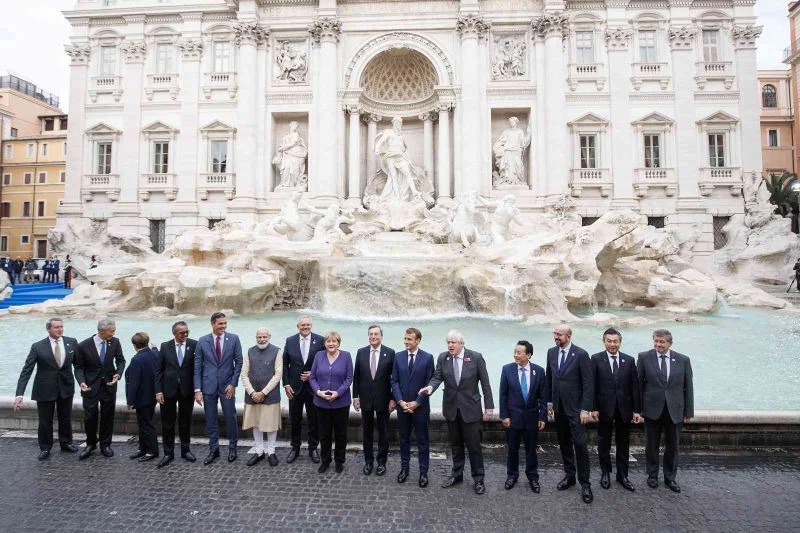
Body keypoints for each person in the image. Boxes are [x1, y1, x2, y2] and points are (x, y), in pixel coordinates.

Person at [420, 330, 494, 495]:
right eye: (448, 342)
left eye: (453, 342)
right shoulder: (443, 357)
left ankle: (479, 479)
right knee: (455, 445)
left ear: (461, 343)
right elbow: (437, 376)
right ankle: (457, 474)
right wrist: (431, 387)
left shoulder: (476, 357)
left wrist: (489, 407)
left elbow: (486, 383)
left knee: (474, 447)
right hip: (452, 409)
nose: (450, 345)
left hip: (471, 410)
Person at [13, 318, 80, 460]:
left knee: (65, 418)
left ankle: (66, 443)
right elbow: (27, 370)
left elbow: (78, 366)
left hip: (66, 387)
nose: (60, 329)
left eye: (61, 327)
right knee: (45, 421)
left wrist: (83, 382)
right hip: (44, 389)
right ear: (48, 329)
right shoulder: (37, 346)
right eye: (56, 327)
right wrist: (19, 394)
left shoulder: (72, 342)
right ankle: (45, 448)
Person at [637, 329, 694, 493]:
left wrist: (688, 410)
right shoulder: (644, 357)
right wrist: (638, 409)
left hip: (675, 410)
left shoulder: (683, 360)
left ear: (670, 343)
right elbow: (638, 385)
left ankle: (670, 477)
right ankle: (652, 476)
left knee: (673, 446)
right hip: (651, 409)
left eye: (661, 342)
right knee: (651, 445)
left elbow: (688, 387)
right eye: (656, 341)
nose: (658, 345)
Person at [545, 323, 594, 504]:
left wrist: (585, 409)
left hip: (576, 410)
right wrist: (549, 402)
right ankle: (569, 476)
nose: (556, 337)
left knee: (580, 446)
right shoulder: (551, 352)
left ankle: (586, 484)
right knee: (564, 444)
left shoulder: (581, 354)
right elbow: (549, 378)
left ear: (569, 336)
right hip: (559, 409)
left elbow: (588, 384)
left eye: (559, 334)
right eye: (555, 333)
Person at [590, 328, 641, 492]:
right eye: (609, 341)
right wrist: (593, 408)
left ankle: (622, 475)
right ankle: (605, 473)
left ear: (620, 342)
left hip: (624, 409)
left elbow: (635, 387)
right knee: (603, 443)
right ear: (604, 342)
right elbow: (593, 385)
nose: (612, 344)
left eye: (615, 341)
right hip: (604, 409)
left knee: (624, 443)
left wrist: (637, 411)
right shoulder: (596, 359)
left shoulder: (629, 360)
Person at [194, 311, 243, 465]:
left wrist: (232, 384)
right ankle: (213, 450)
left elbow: (239, 363)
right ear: (213, 324)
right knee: (210, 419)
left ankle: (233, 448)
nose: (223, 326)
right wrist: (197, 390)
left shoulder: (234, 339)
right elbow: (197, 367)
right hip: (208, 387)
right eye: (220, 323)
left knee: (231, 417)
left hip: (227, 387)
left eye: (225, 323)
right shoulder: (202, 341)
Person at [499, 340, 547, 493]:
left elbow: (543, 397)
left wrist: (542, 417)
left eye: (519, 352)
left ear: (529, 355)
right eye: (515, 351)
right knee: (512, 449)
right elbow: (503, 395)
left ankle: (533, 477)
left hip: (532, 419)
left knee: (531, 450)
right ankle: (512, 476)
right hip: (513, 418)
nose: (515, 355)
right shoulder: (507, 370)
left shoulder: (539, 371)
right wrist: (504, 416)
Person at [75, 318, 126, 459]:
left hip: (109, 386)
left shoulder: (115, 342)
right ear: (101, 331)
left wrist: (118, 373)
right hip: (90, 387)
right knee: (90, 416)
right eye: (111, 331)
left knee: (108, 416)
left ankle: (105, 444)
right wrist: (81, 382)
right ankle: (91, 444)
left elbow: (121, 361)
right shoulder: (83, 345)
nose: (113, 334)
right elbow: (78, 368)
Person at [391, 327, 434, 488]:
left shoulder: (428, 358)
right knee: (404, 440)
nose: (406, 342)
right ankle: (404, 469)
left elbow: (430, 383)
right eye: (405, 339)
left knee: (423, 441)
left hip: (420, 408)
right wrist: (401, 401)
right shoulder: (398, 357)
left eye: (409, 339)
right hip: (402, 407)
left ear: (417, 341)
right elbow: (394, 381)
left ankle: (423, 472)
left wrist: (417, 402)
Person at [352, 324, 396, 476]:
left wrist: (393, 399)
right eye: (371, 334)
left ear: (381, 336)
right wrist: (355, 396)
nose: (373, 337)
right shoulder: (361, 352)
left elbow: (393, 379)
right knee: (367, 433)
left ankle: (382, 462)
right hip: (365, 400)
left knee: (384, 432)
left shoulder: (390, 353)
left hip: (383, 400)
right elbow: (356, 376)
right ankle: (368, 461)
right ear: (368, 336)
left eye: (376, 334)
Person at [309, 331, 353, 474]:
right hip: (321, 403)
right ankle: (325, 461)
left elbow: (349, 378)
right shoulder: (319, 355)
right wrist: (318, 392)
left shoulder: (346, 356)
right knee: (324, 434)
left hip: (341, 403)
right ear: (325, 343)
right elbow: (312, 377)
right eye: (328, 341)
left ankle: (339, 461)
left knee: (341, 434)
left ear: (338, 343)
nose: (331, 344)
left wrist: (338, 393)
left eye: (334, 341)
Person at [283, 314, 324, 464]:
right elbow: (285, 364)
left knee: (314, 419)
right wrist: (286, 384)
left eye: (308, 325)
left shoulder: (320, 340)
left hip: (313, 388)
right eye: (303, 325)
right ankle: (295, 448)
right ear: (298, 326)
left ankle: (313, 448)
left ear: (311, 326)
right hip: (294, 388)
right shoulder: (290, 340)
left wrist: (313, 374)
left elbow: (325, 363)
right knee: (295, 419)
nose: (305, 327)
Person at [155, 321, 197, 467]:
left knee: (185, 422)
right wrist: (158, 391)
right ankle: (168, 453)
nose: (185, 335)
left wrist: (198, 389)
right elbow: (158, 371)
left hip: (187, 390)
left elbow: (198, 369)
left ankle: (186, 450)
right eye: (181, 333)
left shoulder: (194, 345)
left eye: (187, 332)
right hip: (168, 391)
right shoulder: (165, 346)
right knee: (167, 423)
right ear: (174, 333)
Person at [242, 327, 283, 467]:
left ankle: (271, 452)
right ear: (256, 337)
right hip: (252, 395)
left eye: (264, 337)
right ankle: (259, 451)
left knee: (271, 425)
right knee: (256, 424)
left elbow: (278, 375)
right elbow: (244, 374)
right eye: (259, 337)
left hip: (270, 395)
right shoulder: (249, 351)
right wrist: (252, 392)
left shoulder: (277, 351)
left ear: (269, 337)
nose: (262, 339)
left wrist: (263, 392)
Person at [371, 116, 434, 205]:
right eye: (397, 123)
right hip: (390, 156)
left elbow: (406, 146)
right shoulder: (389, 132)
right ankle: (397, 197)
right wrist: (377, 148)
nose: (398, 125)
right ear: (393, 123)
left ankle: (414, 191)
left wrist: (403, 151)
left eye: (400, 123)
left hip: (399, 156)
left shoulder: (401, 135)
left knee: (407, 173)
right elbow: (381, 141)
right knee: (393, 176)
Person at [125, 332, 159, 462]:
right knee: (144, 423)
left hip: (142, 398)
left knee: (146, 425)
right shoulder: (154, 353)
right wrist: (155, 347)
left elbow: (134, 382)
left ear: (134, 345)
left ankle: (152, 451)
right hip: (152, 396)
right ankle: (143, 448)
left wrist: (130, 401)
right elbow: (156, 351)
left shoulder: (137, 359)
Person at [492, 116, 531, 187]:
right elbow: (500, 141)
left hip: (516, 151)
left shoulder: (520, 131)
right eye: (510, 122)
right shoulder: (506, 132)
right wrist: (497, 147)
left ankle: (518, 181)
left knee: (518, 165)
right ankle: (508, 181)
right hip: (508, 152)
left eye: (513, 121)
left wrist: (528, 134)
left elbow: (523, 142)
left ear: (516, 122)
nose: (511, 123)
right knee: (508, 168)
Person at [274, 121, 308, 189]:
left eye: (296, 126)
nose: (294, 127)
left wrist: (284, 148)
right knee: (286, 167)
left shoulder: (297, 136)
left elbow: (293, 144)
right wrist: (281, 152)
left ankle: (293, 184)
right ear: (290, 126)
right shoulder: (286, 137)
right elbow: (282, 146)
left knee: (294, 169)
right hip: (287, 155)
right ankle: (284, 183)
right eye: (293, 125)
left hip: (295, 154)